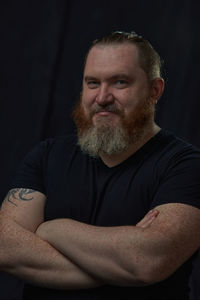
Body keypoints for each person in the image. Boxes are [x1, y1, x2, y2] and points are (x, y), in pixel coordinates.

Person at [0, 31, 200, 300]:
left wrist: (51, 229)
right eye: (93, 83)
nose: (102, 97)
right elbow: (5, 246)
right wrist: (118, 266)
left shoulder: (186, 166)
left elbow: (148, 261)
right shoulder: (47, 156)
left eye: (120, 82)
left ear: (155, 90)